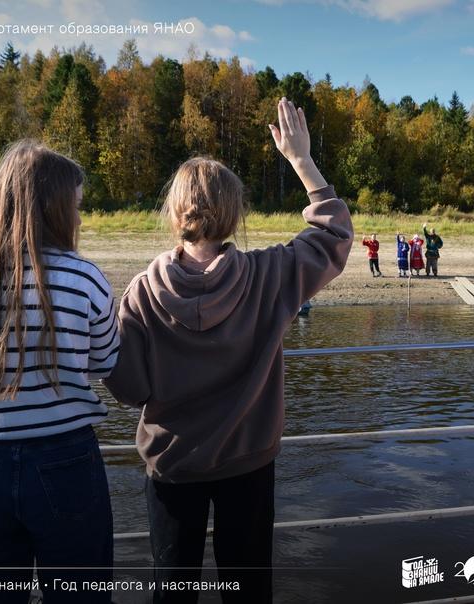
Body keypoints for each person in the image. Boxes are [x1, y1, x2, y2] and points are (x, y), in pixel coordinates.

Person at [103, 98, 353, 603]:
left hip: (173, 468)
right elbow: (334, 236)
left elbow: (129, 389)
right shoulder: (270, 274)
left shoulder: (142, 292)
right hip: (248, 463)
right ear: (236, 213)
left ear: (175, 215)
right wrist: (302, 161)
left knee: (173, 589)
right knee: (249, 588)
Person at [0, 140, 119, 604]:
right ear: (53, 208)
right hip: (67, 461)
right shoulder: (83, 277)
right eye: (75, 206)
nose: (79, 218)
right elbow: (105, 363)